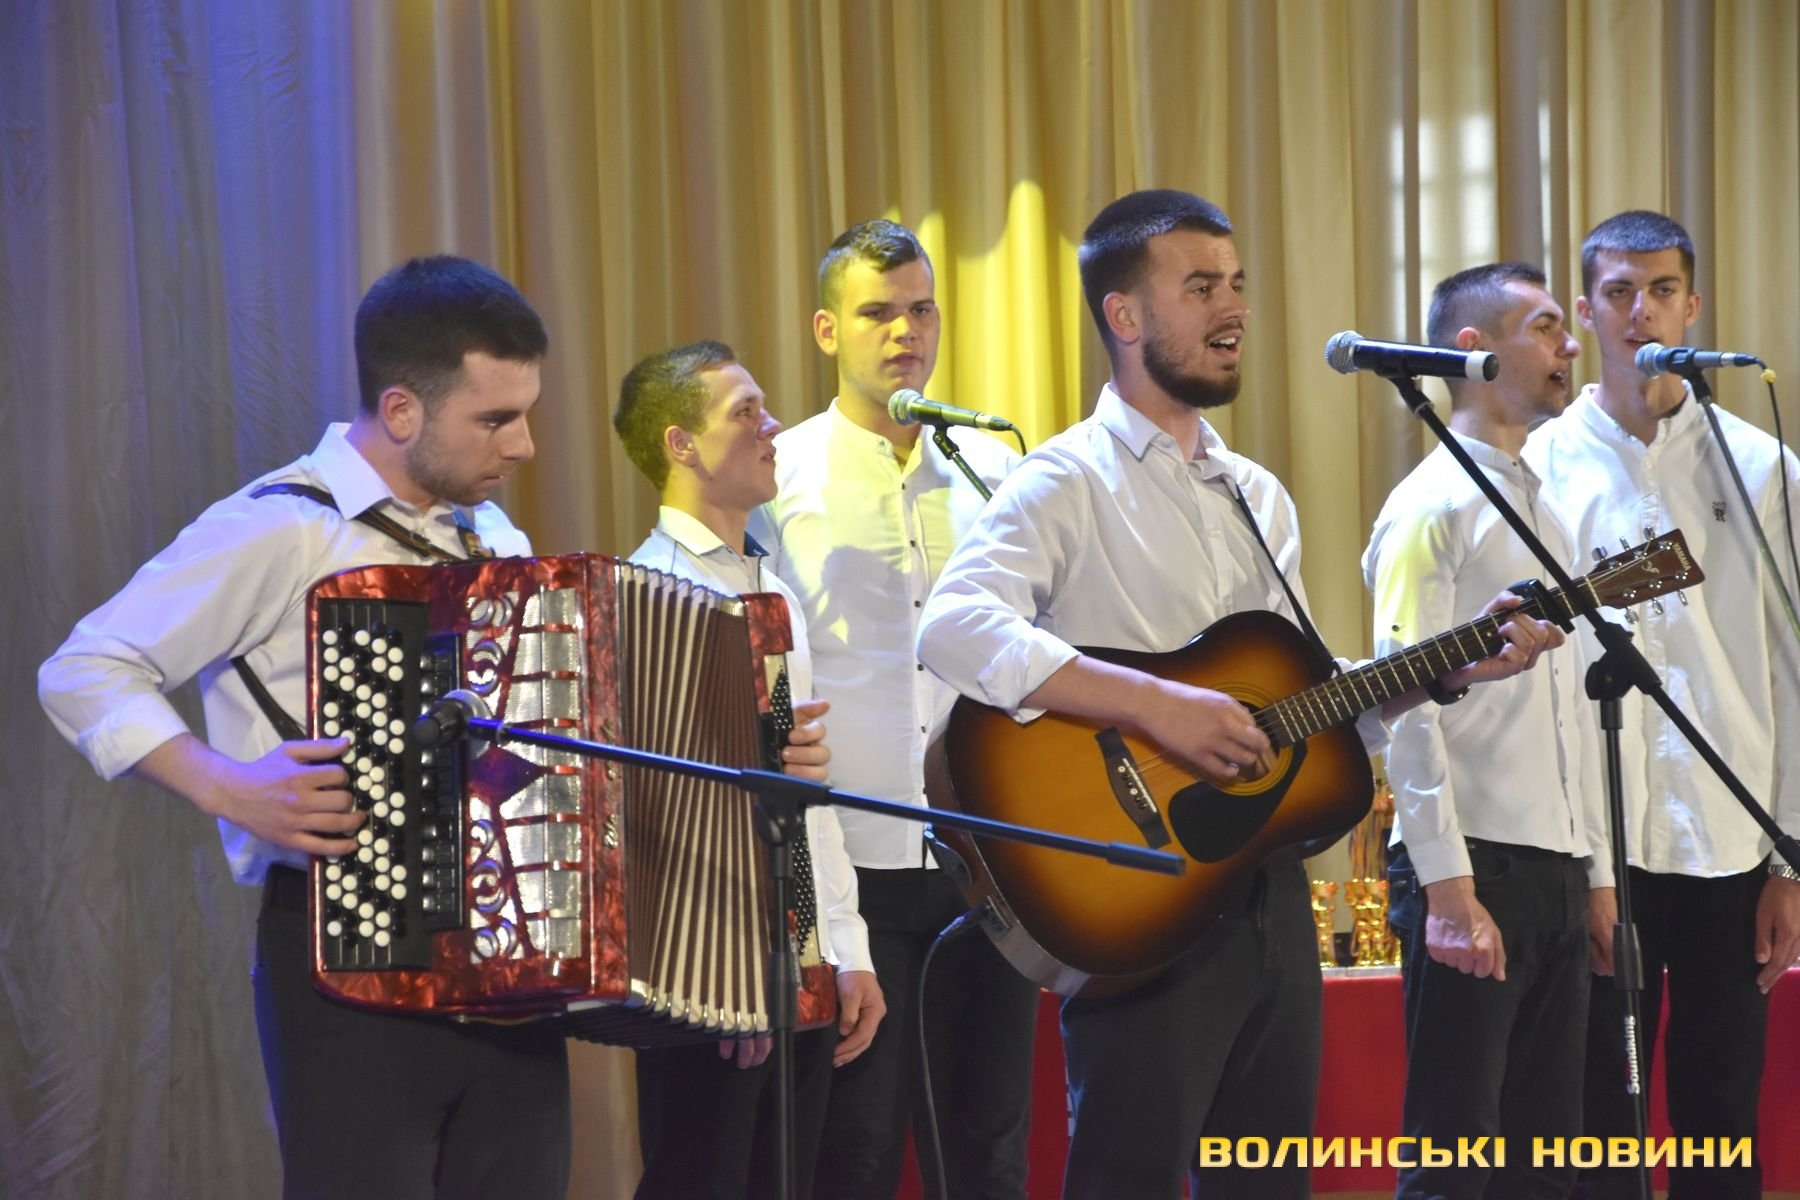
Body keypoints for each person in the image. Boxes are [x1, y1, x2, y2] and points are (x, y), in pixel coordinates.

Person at [916, 189, 1562, 1200]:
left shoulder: (1257, 495)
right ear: (1124, 314)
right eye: (1201, 287)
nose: (1234, 309)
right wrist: (1153, 705)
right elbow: (954, 625)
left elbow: (1301, 703)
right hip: (1140, 893)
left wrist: (1445, 669)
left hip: (1265, 893)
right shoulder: (1064, 480)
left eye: (1238, 284)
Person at [37, 257, 569, 1199]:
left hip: (509, 954)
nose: (523, 445)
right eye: (495, 419)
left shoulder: (498, 541)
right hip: (342, 950)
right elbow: (84, 669)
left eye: (526, 414)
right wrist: (229, 786)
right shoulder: (281, 528)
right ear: (401, 410)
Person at [749, 219, 1035, 1199]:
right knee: (858, 1148)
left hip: (984, 859)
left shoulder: (996, 472)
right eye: (877, 312)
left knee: (990, 1144)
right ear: (828, 330)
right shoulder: (778, 476)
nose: (906, 332)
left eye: (921, 309)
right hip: (850, 867)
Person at [1524, 210, 1800, 1200]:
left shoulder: (1762, 467)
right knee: (1603, 1115)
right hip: (1605, 844)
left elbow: (1793, 668)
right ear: (1586, 310)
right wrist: (1589, 870)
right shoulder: (1542, 465)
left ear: (1694, 304)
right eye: (1618, 292)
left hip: (1733, 838)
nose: (1641, 310)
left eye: (1662, 290)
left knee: (1722, 1111)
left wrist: (1790, 859)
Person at [611, 339, 886, 1199]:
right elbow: (653, 817)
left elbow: (806, 795)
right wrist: (723, 974)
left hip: (794, 961)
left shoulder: (775, 594)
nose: (772, 427)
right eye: (746, 413)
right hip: (709, 978)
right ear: (681, 445)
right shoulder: (639, 592)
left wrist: (845, 949)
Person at [1365, 262, 1609, 1199]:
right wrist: (1447, 888)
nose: (1571, 345)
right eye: (1545, 326)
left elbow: (1572, 708)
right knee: (1455, 1157)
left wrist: (1594, 874)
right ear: (1472, 350)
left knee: (1546, 1164)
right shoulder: (1430, 505)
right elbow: (1404, 699)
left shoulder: (1545, 504)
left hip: (1553, 865)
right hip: (1476, 864)